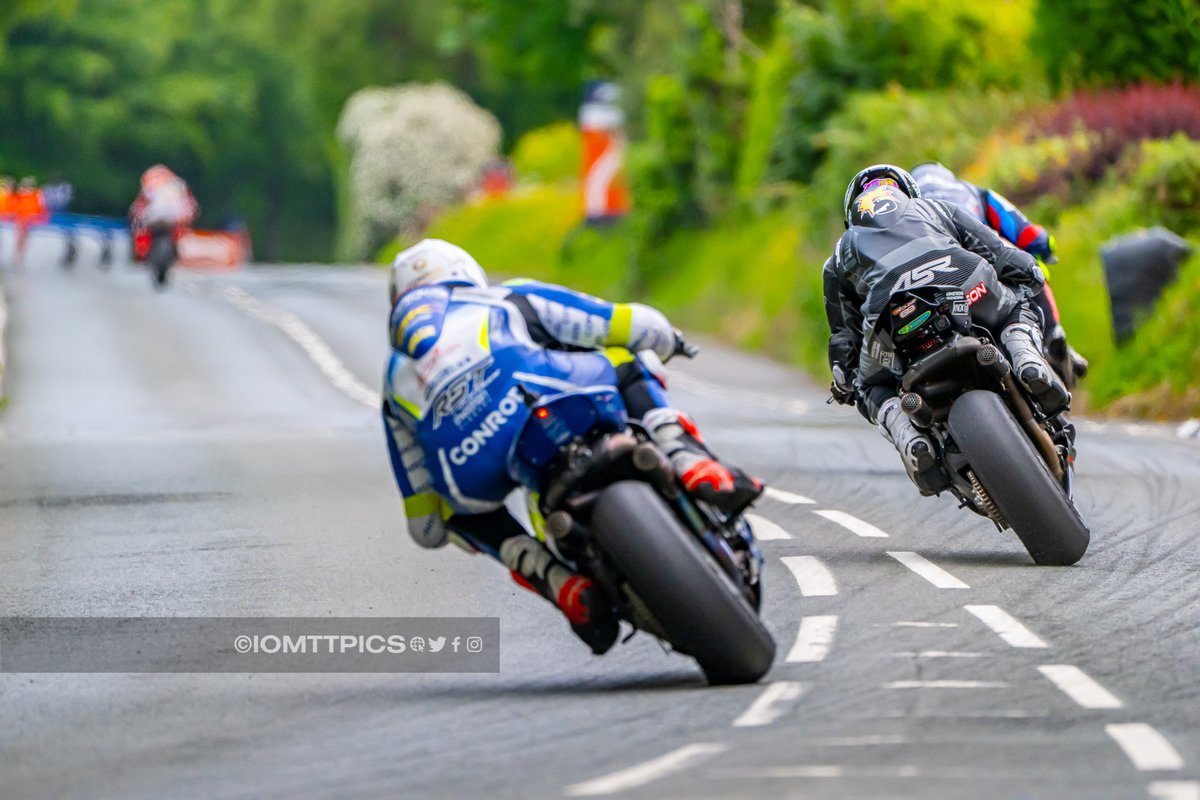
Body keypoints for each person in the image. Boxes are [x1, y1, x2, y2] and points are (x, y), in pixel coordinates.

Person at [382, 239, 763, 655]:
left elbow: (425, 528)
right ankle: (686, 455)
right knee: (622, 351)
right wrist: (668, 341)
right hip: (557, 396)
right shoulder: (509, 297)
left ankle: (550, 576)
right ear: (466, 272)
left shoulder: (392, 382)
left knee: (451, 509)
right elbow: (626, 324)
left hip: (475, 468)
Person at [823, 164, 1070, 494]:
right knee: (1014, 307)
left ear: (850, 216)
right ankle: (1026, 359)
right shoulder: (934, 206)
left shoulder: (840, 253)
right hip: (964, 284)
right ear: (909, 192)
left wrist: (847, 381)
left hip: (889, 320)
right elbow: (997, 251)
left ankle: (907, 435)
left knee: (872, 389)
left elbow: (844, 339)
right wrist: (1028, 273)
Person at [909, 162, 1087, 382]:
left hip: (935, 286)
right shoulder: (974, 192)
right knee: (1031, 266)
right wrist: (1046, 247)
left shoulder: (908, 210)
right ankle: (1053, 336)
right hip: (987, 262)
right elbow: (1026, 232)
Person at [128, 164, 198, 258]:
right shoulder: (149, 191)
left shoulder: (177, 189)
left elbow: (189, 208)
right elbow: (137, 210)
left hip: (169, 225)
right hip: (156, 224)